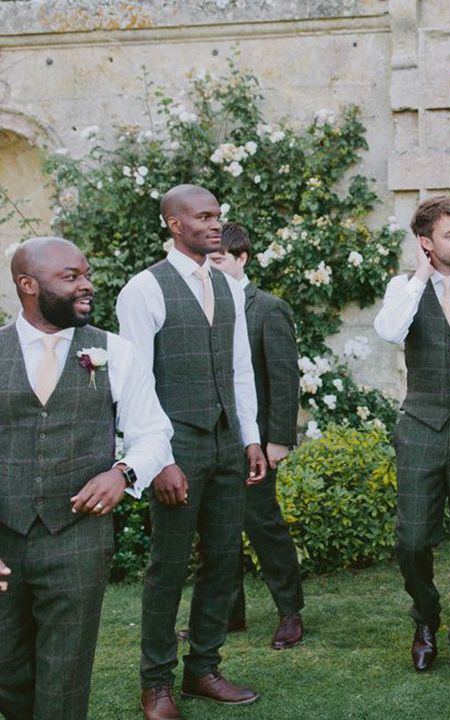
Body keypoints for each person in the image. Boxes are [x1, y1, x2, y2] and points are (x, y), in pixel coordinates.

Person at [0, 237, 175, 720]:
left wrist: (124, 472)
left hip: (76, 540)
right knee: (9, 674)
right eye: (71, 277)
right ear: (28, 285)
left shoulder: (114, 351)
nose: (87, 286)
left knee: (65, 677)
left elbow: (153, 431)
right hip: (3, 539)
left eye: (86, 274)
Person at [116, 185, 266, 720]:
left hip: (227, 443)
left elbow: (240, 369)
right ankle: (156, 684)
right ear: (174, 224)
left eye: (218, 216)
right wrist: (157, 459)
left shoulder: (226, 286)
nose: (215, 225)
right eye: (203, 217)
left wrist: (249, 437)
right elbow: (133, 383)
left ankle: (203, 669)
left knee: (223, 560)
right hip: (174, 446)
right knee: (167, 566)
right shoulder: (143, 289)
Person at [374, 196, 450, 680]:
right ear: (426, 243)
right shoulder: (405, 288)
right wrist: (419, 277)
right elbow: (390, 331)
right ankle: (426, 620)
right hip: (419, 427)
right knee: (413, 540)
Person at [208, 222, 304, 649]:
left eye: (218, 260)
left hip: (257, 442)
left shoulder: (268, 309)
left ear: (241, 258)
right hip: (213, 440)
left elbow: (284, 379)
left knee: (263, 526)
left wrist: (278, 439)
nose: (210, 268)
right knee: (216, 530)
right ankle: (228, 615)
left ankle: (290, 612)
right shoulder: (201, 304)